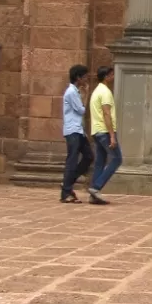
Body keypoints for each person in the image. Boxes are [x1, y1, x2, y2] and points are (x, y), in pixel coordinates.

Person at [60, 64, 94, 203]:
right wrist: (85, 95)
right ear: (78, 78)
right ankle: (66, 192)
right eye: (84, 76)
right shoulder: (71, 92)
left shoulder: (74, 91)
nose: (86, 79)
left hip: (78, 130)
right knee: (72, 161)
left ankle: (67, 184)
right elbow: (81, 110)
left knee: (89, 156)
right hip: (72, 130)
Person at [88, 64, 121, 204]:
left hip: (96, 130)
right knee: (116, 159)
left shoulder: (96, 91)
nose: (113, 77)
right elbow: (106, 113)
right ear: (106, 76)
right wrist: (112, 135)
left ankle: (93, 194)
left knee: (100, 162)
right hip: (104, 131)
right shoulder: (105, 92)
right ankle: (96, 187)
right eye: (112, 75)